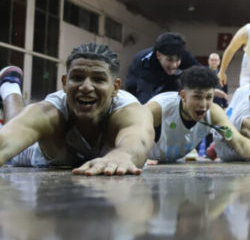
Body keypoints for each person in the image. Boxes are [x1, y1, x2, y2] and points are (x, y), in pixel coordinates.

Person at [0, 43, 154, 175]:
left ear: (115, 87)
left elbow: (137, 141)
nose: (86, 87)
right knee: (14, 124)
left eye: (98, 79)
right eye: (77, 78)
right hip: (42, 155)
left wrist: (123, 156)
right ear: (65, 83)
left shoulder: (130, 111)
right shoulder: (49, 112)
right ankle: (9, 86)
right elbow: (6, 139)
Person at [145, 66, 250, 165]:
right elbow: (130, 131)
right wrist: (138, 157)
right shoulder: (159, 108)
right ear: (183, 95)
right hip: (145, 164)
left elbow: (238, 141)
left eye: (209, 97)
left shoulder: (213, 112)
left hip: (173, 164)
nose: (203, 104)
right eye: (197, 97)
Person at [124, 32, 200, 104]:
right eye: (169, 60)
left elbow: (202, 73)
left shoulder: (184, 55)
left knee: (173, 94)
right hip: (137, 84)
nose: (173, 65)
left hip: (167, 79)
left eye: (177, 60)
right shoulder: (146, 62)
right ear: (158, 55)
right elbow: (144, 95)